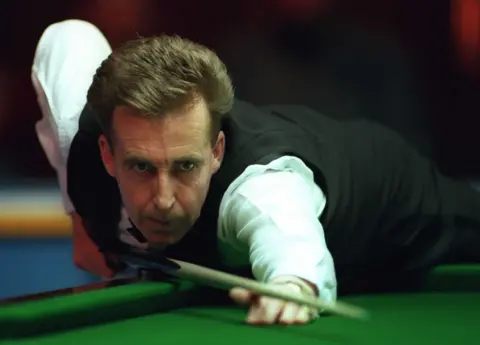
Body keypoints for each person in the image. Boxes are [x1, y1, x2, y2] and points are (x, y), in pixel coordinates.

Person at [32, 19, 480, 326]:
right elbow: (68, 38)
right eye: (141, 167)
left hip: (403, 209)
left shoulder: (263, 187)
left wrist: (291, 285)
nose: (164, 197)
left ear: (217, 151)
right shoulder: (84, 136)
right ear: (108, 155)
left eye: (186, 166)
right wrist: (82, 217)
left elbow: (291, 245)